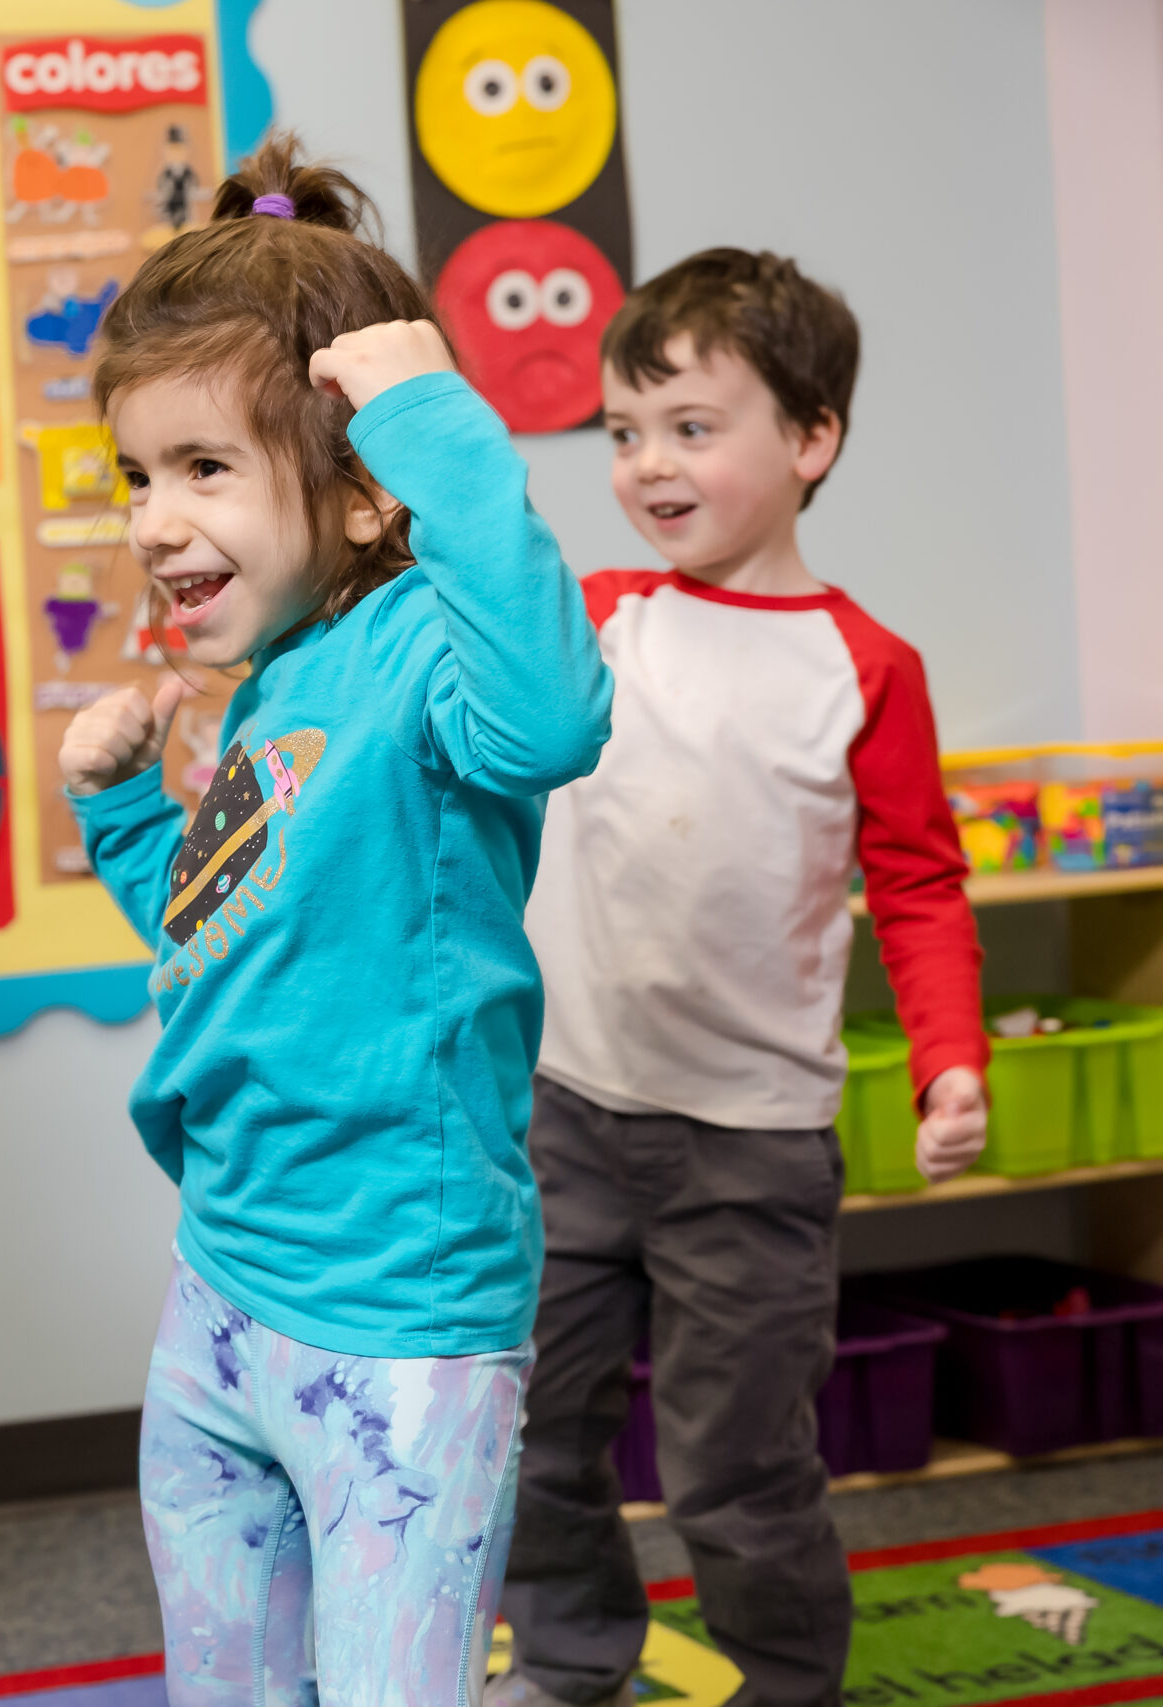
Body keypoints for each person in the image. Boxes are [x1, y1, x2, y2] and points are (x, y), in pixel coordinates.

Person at [57, 134, 612, 1707]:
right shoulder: (278, 681)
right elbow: (222, 933)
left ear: (365, 496)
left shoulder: (433, 645)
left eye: (206, 469)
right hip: (226, 1277)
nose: (158, 522)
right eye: (138, 474)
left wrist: (438, 424)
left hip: (399, 1317)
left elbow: (556, 717)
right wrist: (124, 811)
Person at [490, 252, 990, 1707]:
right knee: (521, 1422)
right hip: (567, 1114)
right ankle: (575, 1650)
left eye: (692, 426)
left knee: (737, 1471)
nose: (647, 462)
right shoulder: (594, 617)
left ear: (811, 439)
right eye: (625, 430)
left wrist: (950, 1054)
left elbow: (918, 882)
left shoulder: (864, 664)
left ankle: (788, 1684)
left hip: (752, 1146)